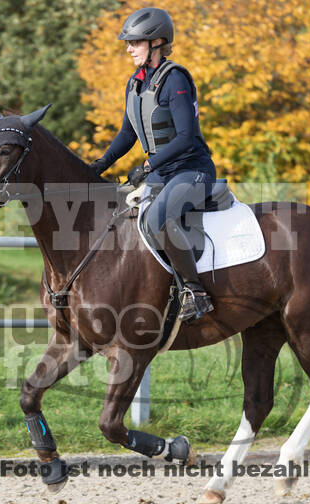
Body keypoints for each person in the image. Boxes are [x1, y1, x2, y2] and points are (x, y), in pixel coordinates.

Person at [90, 7, 216, 322]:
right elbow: (127, 133)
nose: (128, 48)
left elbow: (186, 137)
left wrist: (146, 168)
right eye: (127, 43)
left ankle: (195, 292)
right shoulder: (136, 82)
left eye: (135, 42)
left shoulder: (175, 80)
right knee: (119, 220)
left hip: (193, 171)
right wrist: (100, 164)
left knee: (158, 220)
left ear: (157, 42)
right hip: (161, 173)